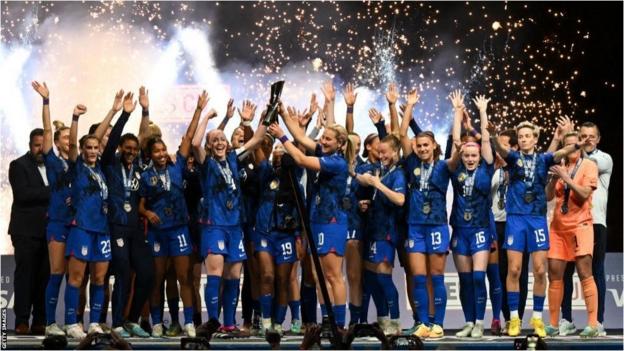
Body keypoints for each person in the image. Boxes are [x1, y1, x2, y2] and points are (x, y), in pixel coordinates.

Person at [488, 119, 592, 337]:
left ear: (535, 139)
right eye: (522, 136)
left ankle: (537, 319)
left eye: (528, 136)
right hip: (516, 219)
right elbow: (500, 149)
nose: (524, 139)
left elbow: (562, 151)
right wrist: (493, 137)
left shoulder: (544, 158)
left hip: (536, 219)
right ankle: (514, 319)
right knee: (514, 270)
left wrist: (578, 145)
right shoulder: (514, 157)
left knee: (540, 270)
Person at [268, 98, 354, 330]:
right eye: (323, 137)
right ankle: (327, 321)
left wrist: (281, 136)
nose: (322, 141)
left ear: (339, 144)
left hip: (332, 223)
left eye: (327, 138)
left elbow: (301, 158)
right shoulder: (324, 152)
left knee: (334, 275)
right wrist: (284, 114)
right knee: (317, 276)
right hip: (316, 222)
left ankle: (339, 324)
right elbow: (302, 138)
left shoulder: (336, 162)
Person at [191, 99, 267, 334]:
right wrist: (207, 117)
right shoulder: (206, 163)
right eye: (215, 140)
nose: (220, 142)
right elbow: (194, 142)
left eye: (222, 139)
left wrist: (251, 120)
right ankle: (212, 320)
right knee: (215, 273)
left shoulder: (234, 159)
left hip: (235, 225)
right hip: (214, 225)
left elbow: (256, 141)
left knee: (234, 275)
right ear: (210, 145)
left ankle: (229, 323)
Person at [139, 91, 209, 338]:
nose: (161, 154)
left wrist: (199, 110)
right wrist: (147, 212)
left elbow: (189, 137)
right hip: (158, 233)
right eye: (156, 151)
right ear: (150, 155)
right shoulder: (146, 177)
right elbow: (140, 204)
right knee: (157, 278)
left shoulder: (178, 165)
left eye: (163, 149)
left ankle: (189, 322)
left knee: (185, 278)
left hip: (180, 230)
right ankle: (157, 322)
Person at [101, 87, 153, 338]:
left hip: (135, 228)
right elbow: (111, 143)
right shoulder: (110, 163)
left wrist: (145, 110)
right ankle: (118, 322)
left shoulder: (140, 166)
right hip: (116, 226)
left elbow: (144, 138)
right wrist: (124, 114)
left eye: (134, 148)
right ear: (121, 147)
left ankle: (132, 320)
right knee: (122, 271)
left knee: (146, 273)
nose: (132, 151)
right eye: (128, 147)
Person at [399, 88, 450, 339]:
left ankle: (437, 323)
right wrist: (409, 106)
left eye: (425, 145)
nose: (421, 148)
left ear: (434, 146)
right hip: (415, 226)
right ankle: (422, 322)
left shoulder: (443, 167)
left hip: (438, 225)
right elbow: (401, 134)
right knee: (418, 276)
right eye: (418, 145)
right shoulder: (411, 164)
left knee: (436, 276)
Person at [446, 92, 494, 338]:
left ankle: (479, 321)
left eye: (474, 155)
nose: (471, 158)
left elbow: (485, 141)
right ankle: (467, 322)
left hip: (480, 230)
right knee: (464, 280)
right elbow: (456, 140)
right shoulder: (455, 171)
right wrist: (456, 112)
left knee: (477, 277)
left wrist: (483, 112)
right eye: (467, 155)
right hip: (460, 232)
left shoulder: (487, 167)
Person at [557, 122, 612, 336]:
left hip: (595, 221)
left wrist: (572, 146)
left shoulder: (604, 159)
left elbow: (583, 161)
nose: (587, 139)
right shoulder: (569, 159)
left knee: (595, 271)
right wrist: (567, 144)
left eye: (591, 136)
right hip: (568, 222)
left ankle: (597, 321)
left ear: (598, 139)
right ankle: (566, 319)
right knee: (566, 273)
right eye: (583, 135)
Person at [544, 131, 599, 338]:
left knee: (585, 272)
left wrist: (567, 178)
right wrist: (552, 179)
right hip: (558, 227)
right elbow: (549, 196)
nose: (570, 148)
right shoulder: (560, 167)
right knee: (555, 275)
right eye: (566, 145)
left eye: (574, 144)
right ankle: (553, 324)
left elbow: (584, 194)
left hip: (580, 225)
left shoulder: (589, 165)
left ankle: (592, 324)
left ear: (580, 146)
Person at [63, 102, 110, 339]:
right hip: (81, 228)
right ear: (82, 150)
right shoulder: (79, 167)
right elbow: (72, 143)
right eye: (88, 147)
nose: (92, 150)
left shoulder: (101, 169)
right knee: (77, 278)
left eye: (95, 147)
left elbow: (100, 138)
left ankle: (94, 323)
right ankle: (71, 322)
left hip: (102, 231)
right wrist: (75, 118)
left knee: (100, 278)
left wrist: (113, 109)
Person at [30, 81, 72, 337]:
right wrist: (46, 101)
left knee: (77, 279)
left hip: (81, 225)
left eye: (71, 137)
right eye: (65, 137)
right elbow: (46, 128)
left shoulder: (81, 162)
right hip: (58, 222)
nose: (69, 140)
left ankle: (72, 322)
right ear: (56, 142)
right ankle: (49, 323)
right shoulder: (53, 160)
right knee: (57, 273)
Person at [356, 134, 406, 336]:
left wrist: (377, 185)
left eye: (384, 152)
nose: (381, 155)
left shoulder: (398, 174)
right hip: (373, 230)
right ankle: (383, 320)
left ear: (395, 152)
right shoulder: (381, 171)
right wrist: (367, 203)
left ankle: (395, 322)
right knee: (371, 279)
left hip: (386, 232)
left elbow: (400, 199)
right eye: (379, 151)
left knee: (384, 278)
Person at [253, 135, 303, 335]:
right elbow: (257, 149)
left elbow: (300, 211)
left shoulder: (294, 180)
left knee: (283, 280)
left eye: (283, 150)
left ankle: (278, 322)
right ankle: (265, 321)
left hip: (286, 236)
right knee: (267, 276)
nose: (279, 152)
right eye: (276, 149)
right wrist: (253, 126)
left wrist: (299, 238)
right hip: (264, 232)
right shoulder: (266, 173)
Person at [8, 123, 50, 336]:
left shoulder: (53, 166)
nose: (40, 149)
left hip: (49, 232)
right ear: (29, 145)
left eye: (43, 145)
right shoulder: (18, 165)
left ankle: (40, 320)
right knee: (25, 276)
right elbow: (23, 195)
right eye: (36, 145)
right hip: (25, 231)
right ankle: (21, 320)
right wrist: (53, 191)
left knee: (44, 278)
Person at [490, 129, 529, 334]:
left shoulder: (521, 168)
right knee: (502, 273)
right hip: (497, 225)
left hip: (518, 223)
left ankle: (519, 318)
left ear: (513, 148)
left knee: (519, 273)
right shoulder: (493, 169)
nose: (499, 150)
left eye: (503, 146)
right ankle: (507, 318)